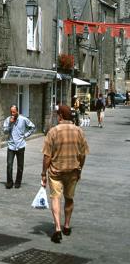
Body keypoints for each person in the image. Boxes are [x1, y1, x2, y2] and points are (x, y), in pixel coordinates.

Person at [41, 104, 89, 243]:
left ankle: (57, 228)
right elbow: (83, 154)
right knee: (69, 198)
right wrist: (80, 168)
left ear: (60, 115)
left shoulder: (53, 132)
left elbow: (47, 156)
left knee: (56, 198)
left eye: (57, 114)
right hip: (73, 170)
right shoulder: (79, 131)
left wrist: (43, 173)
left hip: (56, 171)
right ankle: (66, 226)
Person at [3, 105, 35, 189]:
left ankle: (18, 182)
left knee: (20, 166)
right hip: (11, 145)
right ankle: (9, 182)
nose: (12, 114)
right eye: (11, 112)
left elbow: (32, 127)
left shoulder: (23, 119)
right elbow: (5, 132)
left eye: (14, 112)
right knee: (9, 165)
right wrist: (10, 123)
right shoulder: (8, 120)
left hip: (20, 145)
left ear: (17, 111)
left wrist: (25, 135)